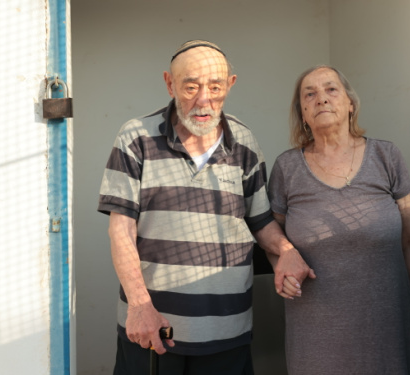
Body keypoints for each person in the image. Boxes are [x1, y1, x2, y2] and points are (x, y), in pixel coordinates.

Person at [97, 40, 313, 375]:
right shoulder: (135, 137)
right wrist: (139, 306)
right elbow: (120, 229)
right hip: (154, 328)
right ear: (170, 83)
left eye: (214, 86)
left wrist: (286, 250)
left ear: (230, 84)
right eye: (191, 86)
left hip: (228, 332)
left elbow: (260, 221)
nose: (203, 100)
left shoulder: (244, 142)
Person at [267, 65, 410, 374]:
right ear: (303, 113)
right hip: (316, 337)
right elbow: (272, 237)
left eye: (331, 89)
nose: (321, 98)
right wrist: (282, 263)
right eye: (310, 94)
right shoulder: (287, 168)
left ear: (350, 103)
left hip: (386, 330)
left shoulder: (387, 157)